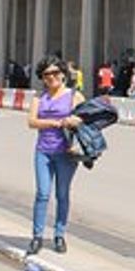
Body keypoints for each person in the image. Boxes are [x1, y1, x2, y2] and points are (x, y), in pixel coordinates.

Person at [26, 56, 85, 255]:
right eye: (47, 74)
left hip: (66, 152)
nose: (52, 77)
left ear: (63, 74)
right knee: (42, 194)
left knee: (62, 194)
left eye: (55, 73)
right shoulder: (38, 98)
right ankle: (37, 236)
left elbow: (86, 120)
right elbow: (32, 122)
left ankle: (59, 236)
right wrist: (53, 123)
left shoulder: (74, 96)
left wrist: (73, 120)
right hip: (44, 151)